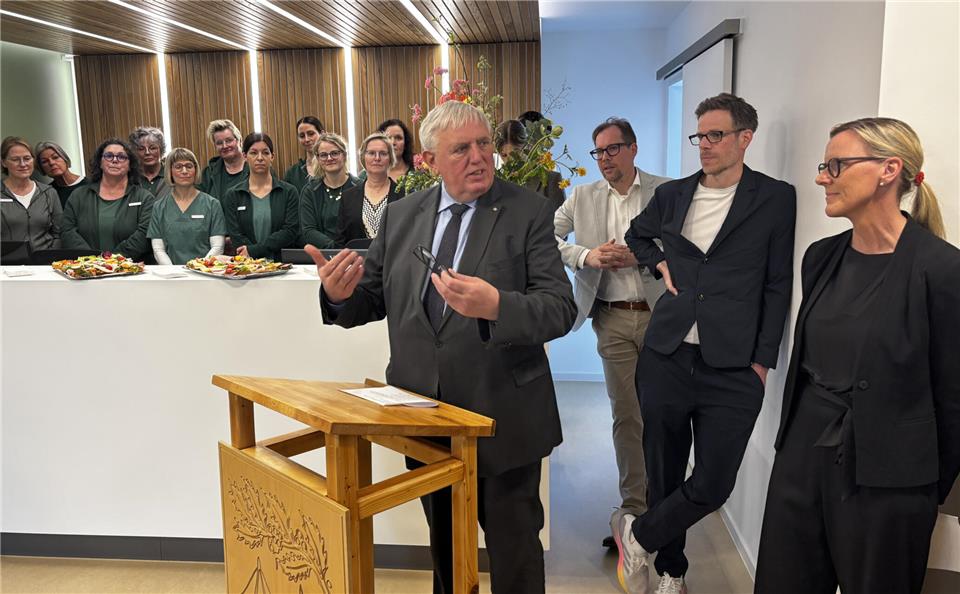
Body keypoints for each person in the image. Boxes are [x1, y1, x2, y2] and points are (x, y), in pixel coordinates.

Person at [307, 100, 577, 594]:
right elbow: (374, 297)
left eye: (483, 145)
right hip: (425, 416)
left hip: (504, 416)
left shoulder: (529, 212)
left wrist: (498, 305)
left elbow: (561, 308)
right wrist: (337, 295)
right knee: (447, 552)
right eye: (461, 149)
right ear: (430, 160)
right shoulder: (402, 215)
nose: (479, 158)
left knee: (514, 554)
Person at [753, 118, 959, 594]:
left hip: (890, 479)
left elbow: (954, 400)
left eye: (837, 165)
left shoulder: (943, 270)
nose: (823, 177)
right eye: (824, 166)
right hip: (801, 457)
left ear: (889, 169)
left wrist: (919, 490)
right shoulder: (821, 256)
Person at [618, 93, 796, 594]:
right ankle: (672, 572)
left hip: (734, 364)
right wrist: (658, 262)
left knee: (713, 483)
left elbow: (777, 283)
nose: (705, 145)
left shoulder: (775, 197)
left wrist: (762, 362)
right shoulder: (673, 195)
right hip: (667, 354)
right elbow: (637, 234)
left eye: (716, 135)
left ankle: (641, 533)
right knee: (664, 471)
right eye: (700, 136)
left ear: (746, 138)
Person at [553, 117, 670, 550]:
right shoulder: (581, 197)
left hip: (662, 317)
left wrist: (641, 257)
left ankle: (666, 507)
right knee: (627, 414)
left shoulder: (666, 191)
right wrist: (586, 255)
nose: (604, 159)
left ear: (633, 149)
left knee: (662, 413)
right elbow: (545, 239)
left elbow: (687, 246)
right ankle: (634, 512)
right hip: (613, 317)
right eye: (598, 152)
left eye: (612, 150)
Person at [62, 138, 155, 260]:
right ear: (100, 162)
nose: (115, 160)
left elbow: (144, 235)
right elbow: (67, 231)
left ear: (130, 165)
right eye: (108, 156)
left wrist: (113, 260)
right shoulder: (79, 195)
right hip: (86, 270)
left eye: (122, 157)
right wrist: (91, 260)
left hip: (131, 270)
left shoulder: (144, 198)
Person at [222, 133, 299, 261]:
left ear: (272, 156)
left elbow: (290, 231)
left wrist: (253, 250)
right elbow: (235, 235)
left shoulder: (288, 192)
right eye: (253, 153)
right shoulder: (233, 195)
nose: (260, 158)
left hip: (282, 266)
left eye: (265, 152)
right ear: (245, 156)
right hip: (247, 267)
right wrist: (253, 258)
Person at [147, 148, 226, 265]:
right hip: (172, 275)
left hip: (205, 273)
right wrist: (173, 272)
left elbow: (218, 246)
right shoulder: (159, 207)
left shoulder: (212, 204)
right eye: (178, 167)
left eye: (189, 166)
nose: (184, 171)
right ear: (170, 171)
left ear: (195, 170)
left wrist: (200, 268)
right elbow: (158, 249)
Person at [334, 133, 402, 247]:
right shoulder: (348, 197)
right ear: (363, 158)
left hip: (393, 263)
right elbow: (340, 240)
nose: (377, 158)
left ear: (390, 158)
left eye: (383, 153)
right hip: (357, 263)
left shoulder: (404, 195)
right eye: (371, 153)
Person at [1, 136, 61, 262]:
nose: (23, 164)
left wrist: (50, 256)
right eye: (15, 159)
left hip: (45, 267)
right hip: (6, 268)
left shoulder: (49, 193)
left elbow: (59, 232)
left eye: (27, 158)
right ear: (3, 162)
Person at [299, 132, 359, 249]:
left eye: (335, 153)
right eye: (323, 155)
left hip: (355, 254)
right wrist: (334, 248)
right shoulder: (310, 191)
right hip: (321, 256)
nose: (329, 158)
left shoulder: (360, 187)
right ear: (318, 158)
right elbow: (308, 230)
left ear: (344, 155)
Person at [496, 119, 565, 210]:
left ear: (527, 146)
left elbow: (561, 223)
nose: (510, 161)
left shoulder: (551, 180)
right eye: (504, 155)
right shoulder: (496, 187)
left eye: (516, 153)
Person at [199, 119, 249, 201]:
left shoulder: (255, 167)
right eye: (219, 143)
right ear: (215, 146)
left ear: (239, 140)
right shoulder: (208, 173)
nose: (224, 146)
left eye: (229, 140)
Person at [34, 141, 86, 208]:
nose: (51, 163)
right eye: (45, 161)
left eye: (55, 157)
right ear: (41, 168)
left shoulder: (91, 185)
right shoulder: (47, 193)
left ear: (65, 159)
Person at [283, 116, 324, 192]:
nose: (307, 139)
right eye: (302, 136)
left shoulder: (332, 166)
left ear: (322, 134)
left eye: (311, 134)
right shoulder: (292, 173)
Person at [129, 126, 170, 198]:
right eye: (141, 149)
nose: (147, 152)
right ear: (135, 152)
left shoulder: (172, 175)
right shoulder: (130, 177)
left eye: (153, 148)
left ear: (161, 150)